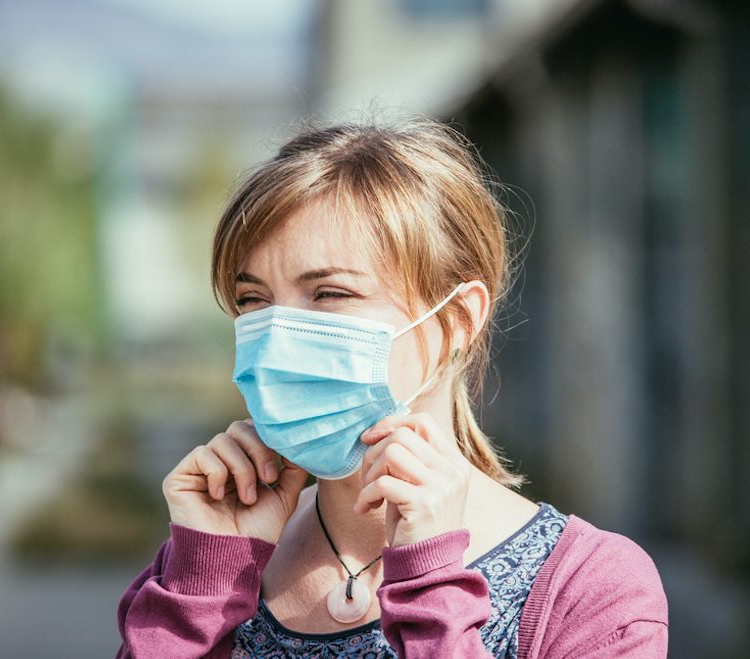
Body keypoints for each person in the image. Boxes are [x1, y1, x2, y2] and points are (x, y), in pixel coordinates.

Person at [113, 120, 668, 658]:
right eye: (254, 301)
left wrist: (432, 588)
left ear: (457, 319)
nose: (278, 336)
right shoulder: (202, 565)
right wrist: (207, 580)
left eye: (329, 293)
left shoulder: (592, 590)